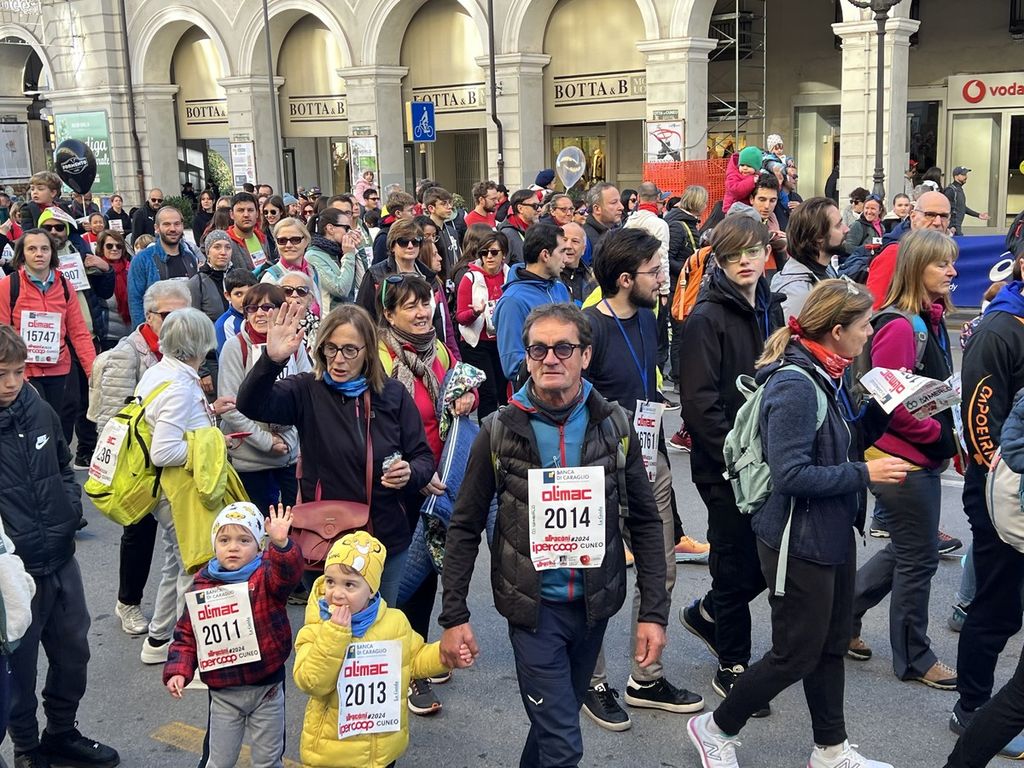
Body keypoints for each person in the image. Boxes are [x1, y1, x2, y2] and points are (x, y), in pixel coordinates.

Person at [687, 280, 907, 768]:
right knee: (795, 654)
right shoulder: (795, 384)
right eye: (864, 325)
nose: (870, 333)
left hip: (831, 532)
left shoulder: (829, 371)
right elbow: (791, 475)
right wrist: (865, 473)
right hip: (796, 538)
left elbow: (843, 441)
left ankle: (830, 750)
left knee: (830, 645)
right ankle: (715, 727)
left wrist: (888, 405)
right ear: (836, 330)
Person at [439, 301, 669, 766]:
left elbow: (645, 521)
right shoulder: (498, 429)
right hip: (533, 613)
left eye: (563, 348)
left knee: (549, 732)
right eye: (538, 349)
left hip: (593, 608)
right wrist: (453, 615)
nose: (550, 359)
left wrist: (653, 613)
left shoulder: (615, 424)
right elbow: (463, 526)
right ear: (526, 358)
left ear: (585, 355)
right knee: (564, 744)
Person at [581, 229, 704, 731]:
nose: (663, 279)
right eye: (655, 271)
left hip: (651, 463)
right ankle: (591, 682)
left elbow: (646, 389)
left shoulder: (651, 319)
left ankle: (646, 677)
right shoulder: (589, 328)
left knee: (660, 569)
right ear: (626, 279)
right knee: (595, 578)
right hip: (600, 472)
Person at [236, 302, 435, 605]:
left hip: (384, 538)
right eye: (331, 348)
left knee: (379, 628)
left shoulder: (392, 394)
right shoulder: (306, 390)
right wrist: (272, 360)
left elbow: (423, 458)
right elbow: (250, 405)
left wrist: (409, 472)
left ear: (368, 352)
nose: (338, 359)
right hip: (322, 538)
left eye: (350, 350)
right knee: (328, 630)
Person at [0, 325, 121, 768]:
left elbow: (64, 465)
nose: (12, 383)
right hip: (14, 574)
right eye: (2, 374)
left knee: (74, 654)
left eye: (18, 372)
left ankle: (61, 732)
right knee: (19, 669)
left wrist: (70, 511)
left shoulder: (37, 407)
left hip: (60, 557)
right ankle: (27, 748)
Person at [678, 216, 784, 713]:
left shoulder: (770, 305)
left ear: (766, 253)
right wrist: (735, 458)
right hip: (725, 464)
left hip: (769, 456)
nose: (745, 261)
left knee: (769, 558)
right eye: (733, 254)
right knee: (733, 557)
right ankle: (733, 662)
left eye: (752, 251)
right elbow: (699, 404)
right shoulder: (706, 317)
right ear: (718, 261)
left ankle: (708, 612)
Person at [847, 229, 960, 689]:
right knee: (919, 558)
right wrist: (939, 438)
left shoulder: (926, 319)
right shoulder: (900, 326)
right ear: (916, 268)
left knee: (908, 550)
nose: (952, 271)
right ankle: (914, 657)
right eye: (941, 264)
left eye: (952, 262)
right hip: (900, 460)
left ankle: (842, 618)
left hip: (913, 457)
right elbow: (890, 403)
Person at [377, 274, 476, 714]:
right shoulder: (379, 358)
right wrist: (412, 473)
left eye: (426, 303)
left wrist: (466, 398)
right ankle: (405, 671)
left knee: (430, 572)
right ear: (388, 314)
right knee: (400, 581)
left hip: (440, 477)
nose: (422, 313)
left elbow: (454, 398)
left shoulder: (437, 350)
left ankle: (417, 655)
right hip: (400, 483)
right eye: (410, 306)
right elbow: (377, 427)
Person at [294, 531, 461, 767]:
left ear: (371, 590)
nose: (337, 593)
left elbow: (414, 659)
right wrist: (334, 634)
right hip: (333, 753)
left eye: (349, 584)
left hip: (382, 751)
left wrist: (445, 655)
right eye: (330, 582)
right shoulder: (317, 626)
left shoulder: (394, 622)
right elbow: (311, 682)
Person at [87, 280, 191, 638]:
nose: (177, 322)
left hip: (173, 465)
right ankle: (128, 602)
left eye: (183, 314)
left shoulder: (182, 351)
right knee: (138, 534)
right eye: (168, 315)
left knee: (176, 546)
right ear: (148, 316)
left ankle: (168, 621)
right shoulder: (127, 353)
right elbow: (111, 422)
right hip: (140, 467)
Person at [950, 256, 1024, 757]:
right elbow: (981, 421)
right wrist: (1003, 485)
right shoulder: (1000, 329)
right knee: (997, 607)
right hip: (1003, 496)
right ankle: (972, 706)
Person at [163, 503, 302, 768]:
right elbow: (186, 634)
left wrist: (282, 545)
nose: (233, 547)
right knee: (220, 761)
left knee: (268, 760)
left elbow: (289, 575)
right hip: (224, 692)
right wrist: (178, 670)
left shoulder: (267, 577)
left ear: (259, 547)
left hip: (267, 688)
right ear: (214, 545)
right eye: (224, 540)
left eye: (244, 540)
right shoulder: (202, 584)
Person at [136, 308, 238, 666]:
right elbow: (164, 450)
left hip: (165, 491)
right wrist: (213, 445)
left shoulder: (159, 372)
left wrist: (209, 413)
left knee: (175, 563)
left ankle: (158, 639)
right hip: (182, 490)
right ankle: (188, 655)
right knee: (194, 568)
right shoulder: (180, 386)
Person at [219, 283, 309, 511]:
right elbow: (230, 407)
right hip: (251, 461)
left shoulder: (294, 345)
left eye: (267, 307)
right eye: (252, 308)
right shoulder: (235, 347)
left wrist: (289, 441)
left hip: (289, 457)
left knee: (292, 522)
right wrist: (267, 442)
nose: (259, 313)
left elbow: (306, 397)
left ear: (281, 310)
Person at [0, 229, 96, 421]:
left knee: (62, 427)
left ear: (52, 252)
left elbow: (79, 333)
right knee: (35, 427)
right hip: (26, 373)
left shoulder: (65, 285)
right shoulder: (8, 285)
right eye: (32, 249)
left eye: (44, 249)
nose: (39, 254)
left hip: (61, 370)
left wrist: (93, 373)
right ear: (22, 253)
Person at [493, 222, 572, 385]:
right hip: (537, 393)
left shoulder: (559, 288)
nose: (566, 259)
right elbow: (513, 367)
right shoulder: (512, 302)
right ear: (545, 255)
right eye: (562, 251)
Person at [454, 231, 510, 418]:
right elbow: (460, 317)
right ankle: (488, 431)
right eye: (484, 253)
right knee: (488, 393)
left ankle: (505, 429)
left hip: (502, 342)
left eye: (494, 252)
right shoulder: (470, 278)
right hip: (477, 344)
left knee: (504, 391)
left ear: (504, 254)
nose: (489, 257)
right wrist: (475, 313)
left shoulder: (510, 276)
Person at [866, 190, 952, 310]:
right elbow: (874, 308)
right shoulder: (895, 253)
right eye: (930, 215)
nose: (937, 222)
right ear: (913, 216)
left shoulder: (936, 251)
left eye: (943, 216)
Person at [771, 197, 847, 320]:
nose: (846, 229)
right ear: (818, 237)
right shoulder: (797, 293)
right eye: (838, 225)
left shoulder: (826, 270)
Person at [127, 205, 200, 326]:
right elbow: (135, 302)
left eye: (177, 224)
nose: (173, 229)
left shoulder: (190, 258)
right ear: (156, 228)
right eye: (166, 224)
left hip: (187, 329)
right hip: (156, 330)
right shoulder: (142, 260)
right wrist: (144, 333)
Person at [305, 207, 367, 311]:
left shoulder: (341, 251)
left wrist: (359, 249)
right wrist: (348, 256)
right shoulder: (313, 255)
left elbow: (362, 283)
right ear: (330, 228)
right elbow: (340, 289)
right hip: (330, 317)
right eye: (346, 228)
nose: (349, 232)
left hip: (349, 313)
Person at [622, 182, 670, 308]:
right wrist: (664, 290)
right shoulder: (660, 225)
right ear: (657, 198)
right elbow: (662, 257)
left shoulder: (628, 222)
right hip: (652, 285)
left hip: (630, 283)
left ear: (638, 197)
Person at [260, 218, 321, 315]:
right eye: (282, 240)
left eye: (295, 240)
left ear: (306, 241)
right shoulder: (270, 279)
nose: (288, 245)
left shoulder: (312, 270)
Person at [188, 230, 234, 323]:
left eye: (228, 247)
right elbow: (193, 321)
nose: (223, 252)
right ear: (208, 252)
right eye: (217, 247)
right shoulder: (197, 283)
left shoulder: (238, 277)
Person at [97, 229, 131, 351]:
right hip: (107, 338)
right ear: (102, 248)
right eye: (109, 246)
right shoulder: (96, 272)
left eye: (119, 246)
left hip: (131, 336)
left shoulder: (131, 269)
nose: (114, 249)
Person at [226, 192, 275, 271]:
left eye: (250, 210)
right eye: (241, 210)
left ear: (257, 213)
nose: (246, 215)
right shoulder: (225, 242)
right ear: (232, 214)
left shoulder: (263, 238)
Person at [215, 269, 258, 354]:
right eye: (238, 294)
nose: (244, 300)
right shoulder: (225, 325)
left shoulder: (263, 315)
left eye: (249, 293)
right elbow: (229, 359)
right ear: (227, 295)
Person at [582, 183, 624, 264]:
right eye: (614, 202)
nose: (621, 207)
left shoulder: (618, 232)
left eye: (620, 201)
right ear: (597, 209)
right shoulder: (584, 238)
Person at [497, 189, 542, 265]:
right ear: (520, 208)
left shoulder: (536, 229)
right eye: (535, 206)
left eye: (540, 205)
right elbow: (501, 267)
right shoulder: (507, 234)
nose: (539, 209)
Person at [372, 190, 416, 264]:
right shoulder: (384, 238)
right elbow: (378, 267)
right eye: (410, 210)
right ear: (398, 213)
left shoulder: (412, 231)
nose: (414, 212)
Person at [559, 221, 595, 306]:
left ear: (583, 249)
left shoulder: (594, 279)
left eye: (575, 241)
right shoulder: (547, 278)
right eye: (564, 240)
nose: (568, 246)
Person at [945, 167, 989, 234]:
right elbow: (945, 209)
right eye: (963, 175)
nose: (966, 177)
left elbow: (961, 207)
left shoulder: (958, 189)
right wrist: (950, 226)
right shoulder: (950, 190)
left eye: (966, 174)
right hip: (952, 229)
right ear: (956, 176)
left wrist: (978, 215)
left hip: (956, 228)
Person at [723, 146, 762, 215]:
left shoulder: (756, 176)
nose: (745, 168)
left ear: (756, 168)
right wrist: (751, 181)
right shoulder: (733, 175)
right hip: (733, 209)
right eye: (742, 165)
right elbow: (735, 190)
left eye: (749, 166)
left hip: (746, 207)